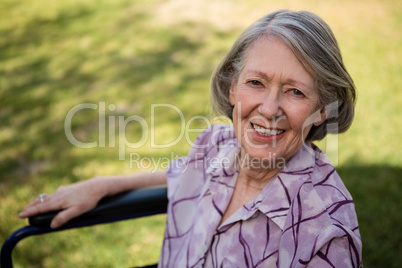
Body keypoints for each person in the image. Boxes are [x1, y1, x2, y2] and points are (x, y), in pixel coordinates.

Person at [19, 9, 362, 267]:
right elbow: (183, 171)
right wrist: (101, 185)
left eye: (295, 92)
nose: (270, 108)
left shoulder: (324, 232)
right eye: (256, 83)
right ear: (232, 86)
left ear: (322, 109)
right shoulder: (218, 144)